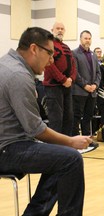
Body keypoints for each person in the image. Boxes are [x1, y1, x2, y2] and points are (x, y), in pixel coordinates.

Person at [0, 27, 92, 216]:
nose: (51, 60)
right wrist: (72, 141)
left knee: (61, 156)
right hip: (7, 149)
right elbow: (36, 129)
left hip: (8, 144)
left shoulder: (7, 64)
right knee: (71, 158)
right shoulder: (18, 75)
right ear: (34, 49)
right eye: (50, 53)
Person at [43, 22, 76, 136]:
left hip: (67, 87)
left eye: (62, 28)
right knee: (56, 119)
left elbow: (73, 65)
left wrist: (71, 79)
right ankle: (56, 149)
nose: (60, 30)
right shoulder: (49, 45)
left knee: (69, 117)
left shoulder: (66, 47)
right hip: (53, 87)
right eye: (58, 28)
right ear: (52, 30)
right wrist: (63, 80)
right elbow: (49, 65)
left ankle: (66, 145)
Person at [71, 30, 101, 136]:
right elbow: (75, 73)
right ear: (80, 39)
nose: (87, 40)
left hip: (92, 92)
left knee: (88, 117)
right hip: (79, 91)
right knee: (76, 117)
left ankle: (86, 139)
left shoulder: (93, 55)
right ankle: (75, 140)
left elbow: (98, 72)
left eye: (89, 38)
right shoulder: (74, 53)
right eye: (85, 38)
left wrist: (95, 85)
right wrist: (85, 85)